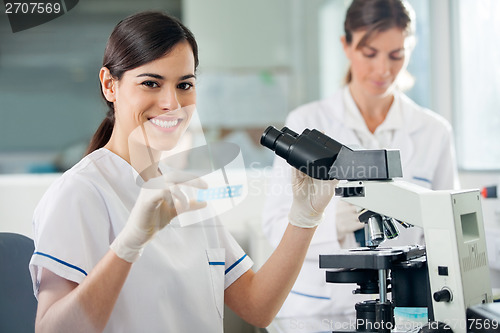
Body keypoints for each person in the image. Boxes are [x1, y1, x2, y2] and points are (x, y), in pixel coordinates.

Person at [28, 11, 339, 333]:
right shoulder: (82, 191)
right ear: (110, 85)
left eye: (185, 85)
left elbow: (257, 306)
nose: (171, 103)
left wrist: (303, 219)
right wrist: (129, 244)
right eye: (151, 83)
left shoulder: (187, 193)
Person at [262, 0, 460, 328]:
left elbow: (446, 230)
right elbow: (273, 227)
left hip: (403, 305)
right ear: (346, 45)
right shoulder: (308, 121)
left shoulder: (434, 132)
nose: (383, 69)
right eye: (370, 53)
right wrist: (332, 222)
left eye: (396, 55)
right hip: (316, 307)